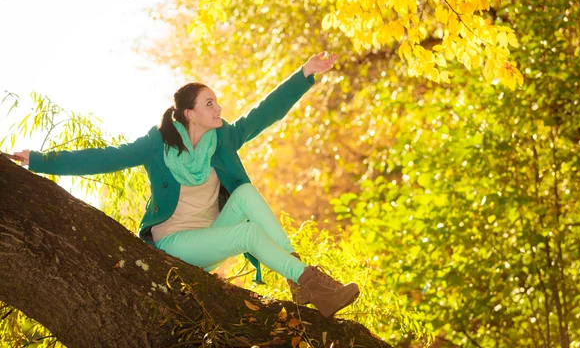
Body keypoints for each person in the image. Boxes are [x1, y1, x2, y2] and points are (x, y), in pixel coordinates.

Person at [13, 52, 359, 318]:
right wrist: (42, 160)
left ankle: (298, 278)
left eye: (217, 101)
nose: (218, 106)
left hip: (209, 239)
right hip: (174, 245)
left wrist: (305, 74)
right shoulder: (156, 146)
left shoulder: (222, 139)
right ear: (189, 114)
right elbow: (106, 158)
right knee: (250, 234)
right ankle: (312, 283)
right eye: (210, 103)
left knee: (246, 193)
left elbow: (264, 113)